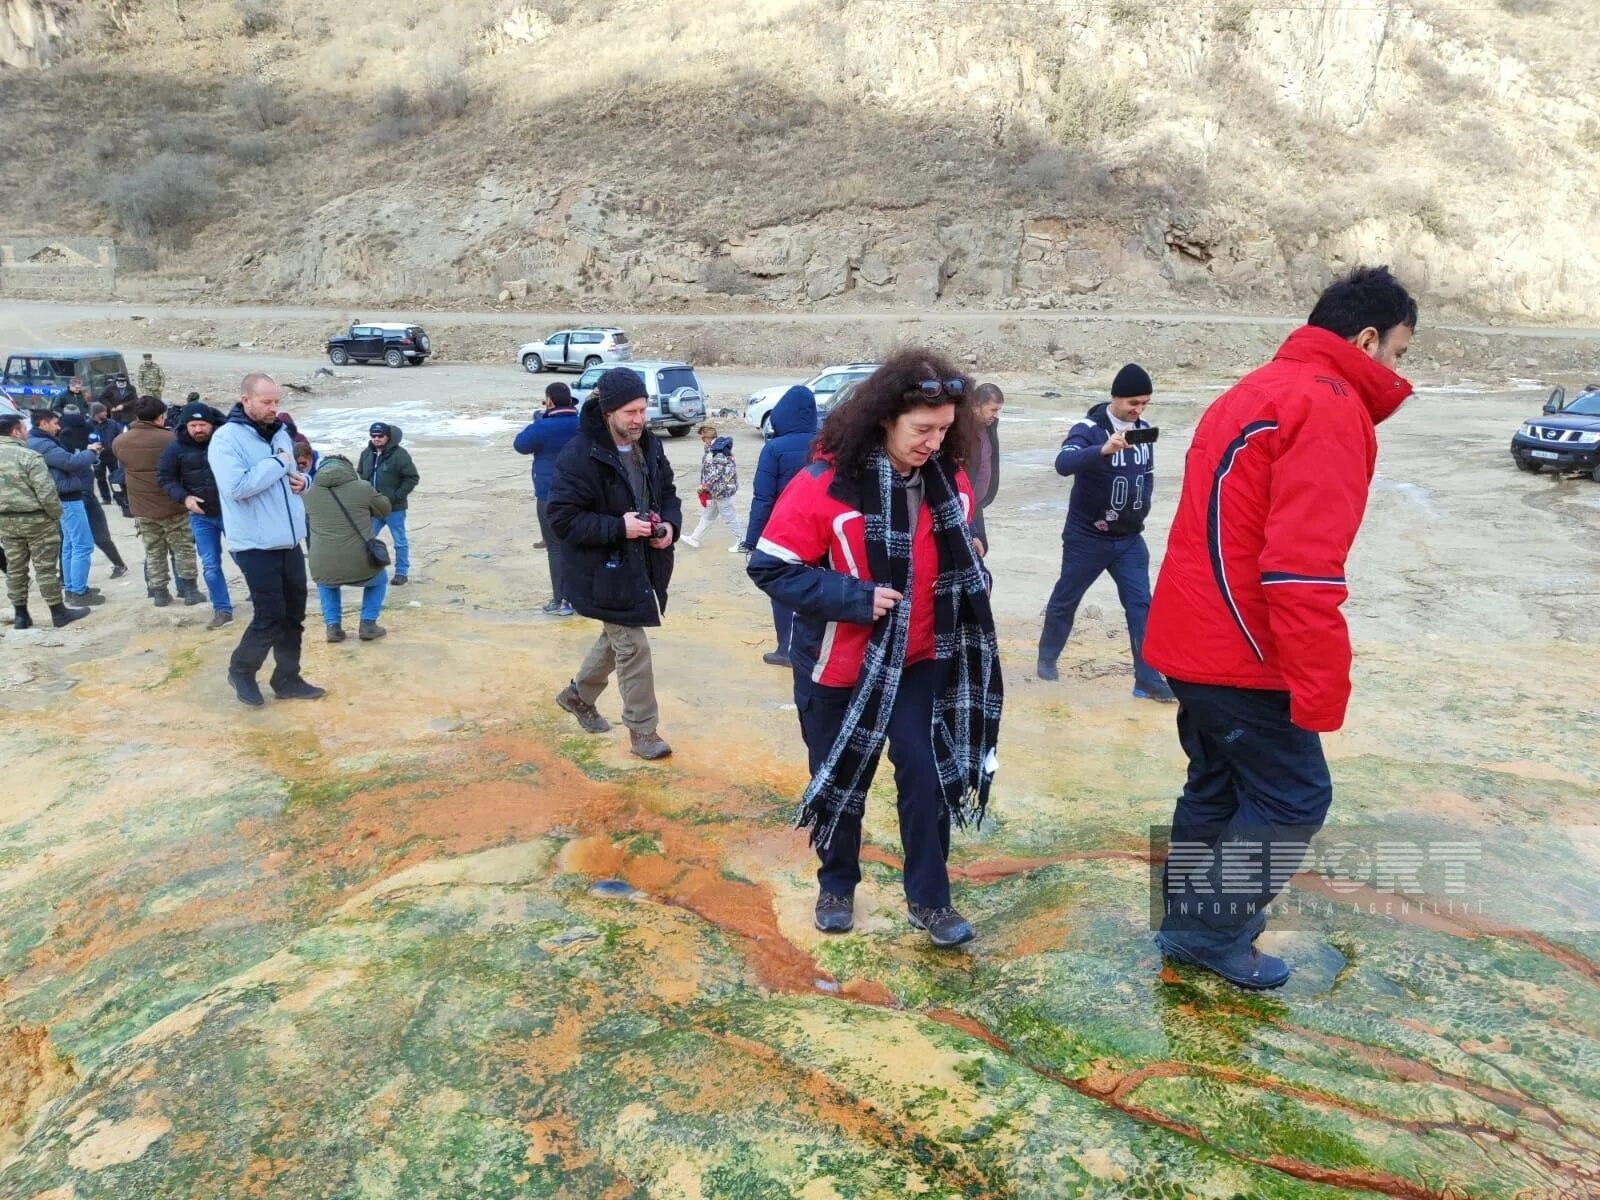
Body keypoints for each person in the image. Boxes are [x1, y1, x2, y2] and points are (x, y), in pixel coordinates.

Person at [1144, 265, 1418, 991]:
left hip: (1191, 637)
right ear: (1365, 338)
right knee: (1295, 795)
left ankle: (1186, 919)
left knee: (1218, 784)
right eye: (1398, 352)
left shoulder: (1254, 388)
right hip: (1241, 649)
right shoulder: (1326, 403)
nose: (1395, 369)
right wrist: (1320, 690)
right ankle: (1207, 933)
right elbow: (1302, 571)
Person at [747, 350, 1003, 949]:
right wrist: (853, 596)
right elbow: (772, 568)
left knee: (928, 775)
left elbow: (965, 543)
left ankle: (931, 900)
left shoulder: (952, 482)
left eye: (944, 429)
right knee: (841, 779)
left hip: (919, 660)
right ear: (886, 419)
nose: (934, 443)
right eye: (922, 430)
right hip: (839, 665)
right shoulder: (824, 486)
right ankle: (836, 885)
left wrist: (973, 572)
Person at [547, 368, 680, 761]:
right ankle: (643, 731)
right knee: (632, 646)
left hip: (640, 563)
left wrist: (669, 524)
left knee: (617, 637)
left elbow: (668, 492)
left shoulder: (650, 446)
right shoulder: (579, 455)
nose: (638, 419)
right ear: (608, 412)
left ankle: (577, 696)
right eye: (629, 412)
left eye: (642, 410)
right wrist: (618, 526)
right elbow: (562, 519)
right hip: (600, 569)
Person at [1035, 364, 1174, 702]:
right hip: (1087, 537)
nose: (1138, 410)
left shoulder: (1142, 431)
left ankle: (1147, 680)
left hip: (1129, 540)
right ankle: (1047, 659)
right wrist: (1103, 450)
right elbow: (1063, 464)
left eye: (1145, 403)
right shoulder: (1089, 428)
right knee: (1066, 599)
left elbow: (1147, 476)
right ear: (1116, 397)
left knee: (1142, 606)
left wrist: (1141, 511)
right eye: (1133, 403)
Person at [208, 372, 323, 707]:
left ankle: (287, 678)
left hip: (289, 540)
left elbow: (291, 474)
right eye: (266, 402)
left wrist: (303, 480)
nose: (274, 408)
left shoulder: (281, 434)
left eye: (277, 401)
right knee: (270, 615)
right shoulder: (227, 439)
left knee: (294, 615)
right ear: (246, 400)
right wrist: (278, 463)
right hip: (255, 544)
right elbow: (237, 488)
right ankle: (241, 670)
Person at [744, 385, 818, 667]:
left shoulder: (773, 449)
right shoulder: (825, 443)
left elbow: (763, 498)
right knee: (816, 587)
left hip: (783, 533)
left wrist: (752, 540)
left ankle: (786, 649)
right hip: (821, 532)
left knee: (783, 590)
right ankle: (813, 647)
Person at [111, 397, 204, 609]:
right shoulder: (171, 439)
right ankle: (190, 590)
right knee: (183, 550)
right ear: (160, 416)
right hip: (172, 505)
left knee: (153, 551)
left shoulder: (120, 441)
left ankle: (160, 593)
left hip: (142, 508)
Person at [0, 414, 87, 628]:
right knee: (46, 568)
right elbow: (47, 493)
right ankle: (58, 613)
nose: (26, 433)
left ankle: (21, 616)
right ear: (15, 431)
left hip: (6, 522)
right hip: (37, 520)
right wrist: (55, 514)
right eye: (23, 428)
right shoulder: (29, 456)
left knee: (15, 568)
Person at [157, 400, 235, 629]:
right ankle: (222, 609)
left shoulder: (225, 441)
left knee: (247, 558)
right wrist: (185, 498)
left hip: (232, 512)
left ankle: (261, 600)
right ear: (185, 426)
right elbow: (164, 478)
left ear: (211, 424)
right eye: (193, 425)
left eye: (202, 424)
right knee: (210, 565)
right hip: (201, 516)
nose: (198, 429)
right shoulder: (175, 448)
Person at [304, 454, 391, 643]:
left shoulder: (309, 493)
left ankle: (333, 628)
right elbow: (384, 509)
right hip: (360, 559)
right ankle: (368, 624)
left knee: (327, 583)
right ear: (348, 470)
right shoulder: (362, 488)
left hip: (321, 560)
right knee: (379, 580)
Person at [513, 382, 581, 614]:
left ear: (550, 401)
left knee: (555, 548)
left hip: (550, 496)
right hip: (582, 494)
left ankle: (560, 601)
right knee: (579, 546)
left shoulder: (543, 426)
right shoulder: (583, 423)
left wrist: (540, 419)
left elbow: (520, 445)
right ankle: (580, 598)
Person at [27, 409, 103, 608]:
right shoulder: (42, 443)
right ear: (43, 423)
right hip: (67, 498)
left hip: (62, 497)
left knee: (70, 544)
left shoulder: (38, 441)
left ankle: (72, 587)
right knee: (83, 544)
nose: (58, 427)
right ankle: (79, 592)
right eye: (55, 423)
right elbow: (70, 462)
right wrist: (91, 451)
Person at [358, 422, 418, 585]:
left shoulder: (400, 455)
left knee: (399, 541)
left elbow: (412, 477)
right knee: (366, 539)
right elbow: (361, 475)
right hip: (373, 508)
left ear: (388, 437)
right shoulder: (367, 454)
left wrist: (396, 496)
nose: (376, 439)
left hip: (394, 508)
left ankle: (401, 572)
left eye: (380, 436)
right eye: (373, 435)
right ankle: (368, 571)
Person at [682, 425, 743, 550]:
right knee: (708, 515)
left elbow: (715, 473)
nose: (702, 441)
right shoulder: (719, 448)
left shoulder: (716, 451)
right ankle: (694, 538)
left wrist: (704, 486)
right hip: (719, 490)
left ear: (707, 437)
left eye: (702, 438)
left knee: (729, 516)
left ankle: (743, 542)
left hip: (721, 490)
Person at [968, 382, 1004, 555]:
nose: (996, 415)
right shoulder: (962, 432)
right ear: (976, 406)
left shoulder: (989, 428)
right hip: (962, 508)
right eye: (993, 410)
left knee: (981, 548)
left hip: (976, 506)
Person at [89, 402, 125, 509]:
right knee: (100, 478)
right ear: (95, 413)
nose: (105, 413)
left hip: (112, 455)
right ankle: (106, 498)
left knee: (115, 477)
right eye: (102, 411)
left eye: (105, 410)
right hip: (97, 456)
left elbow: (121, 437)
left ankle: (118, 497)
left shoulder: (113, 424)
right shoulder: (88, 425)